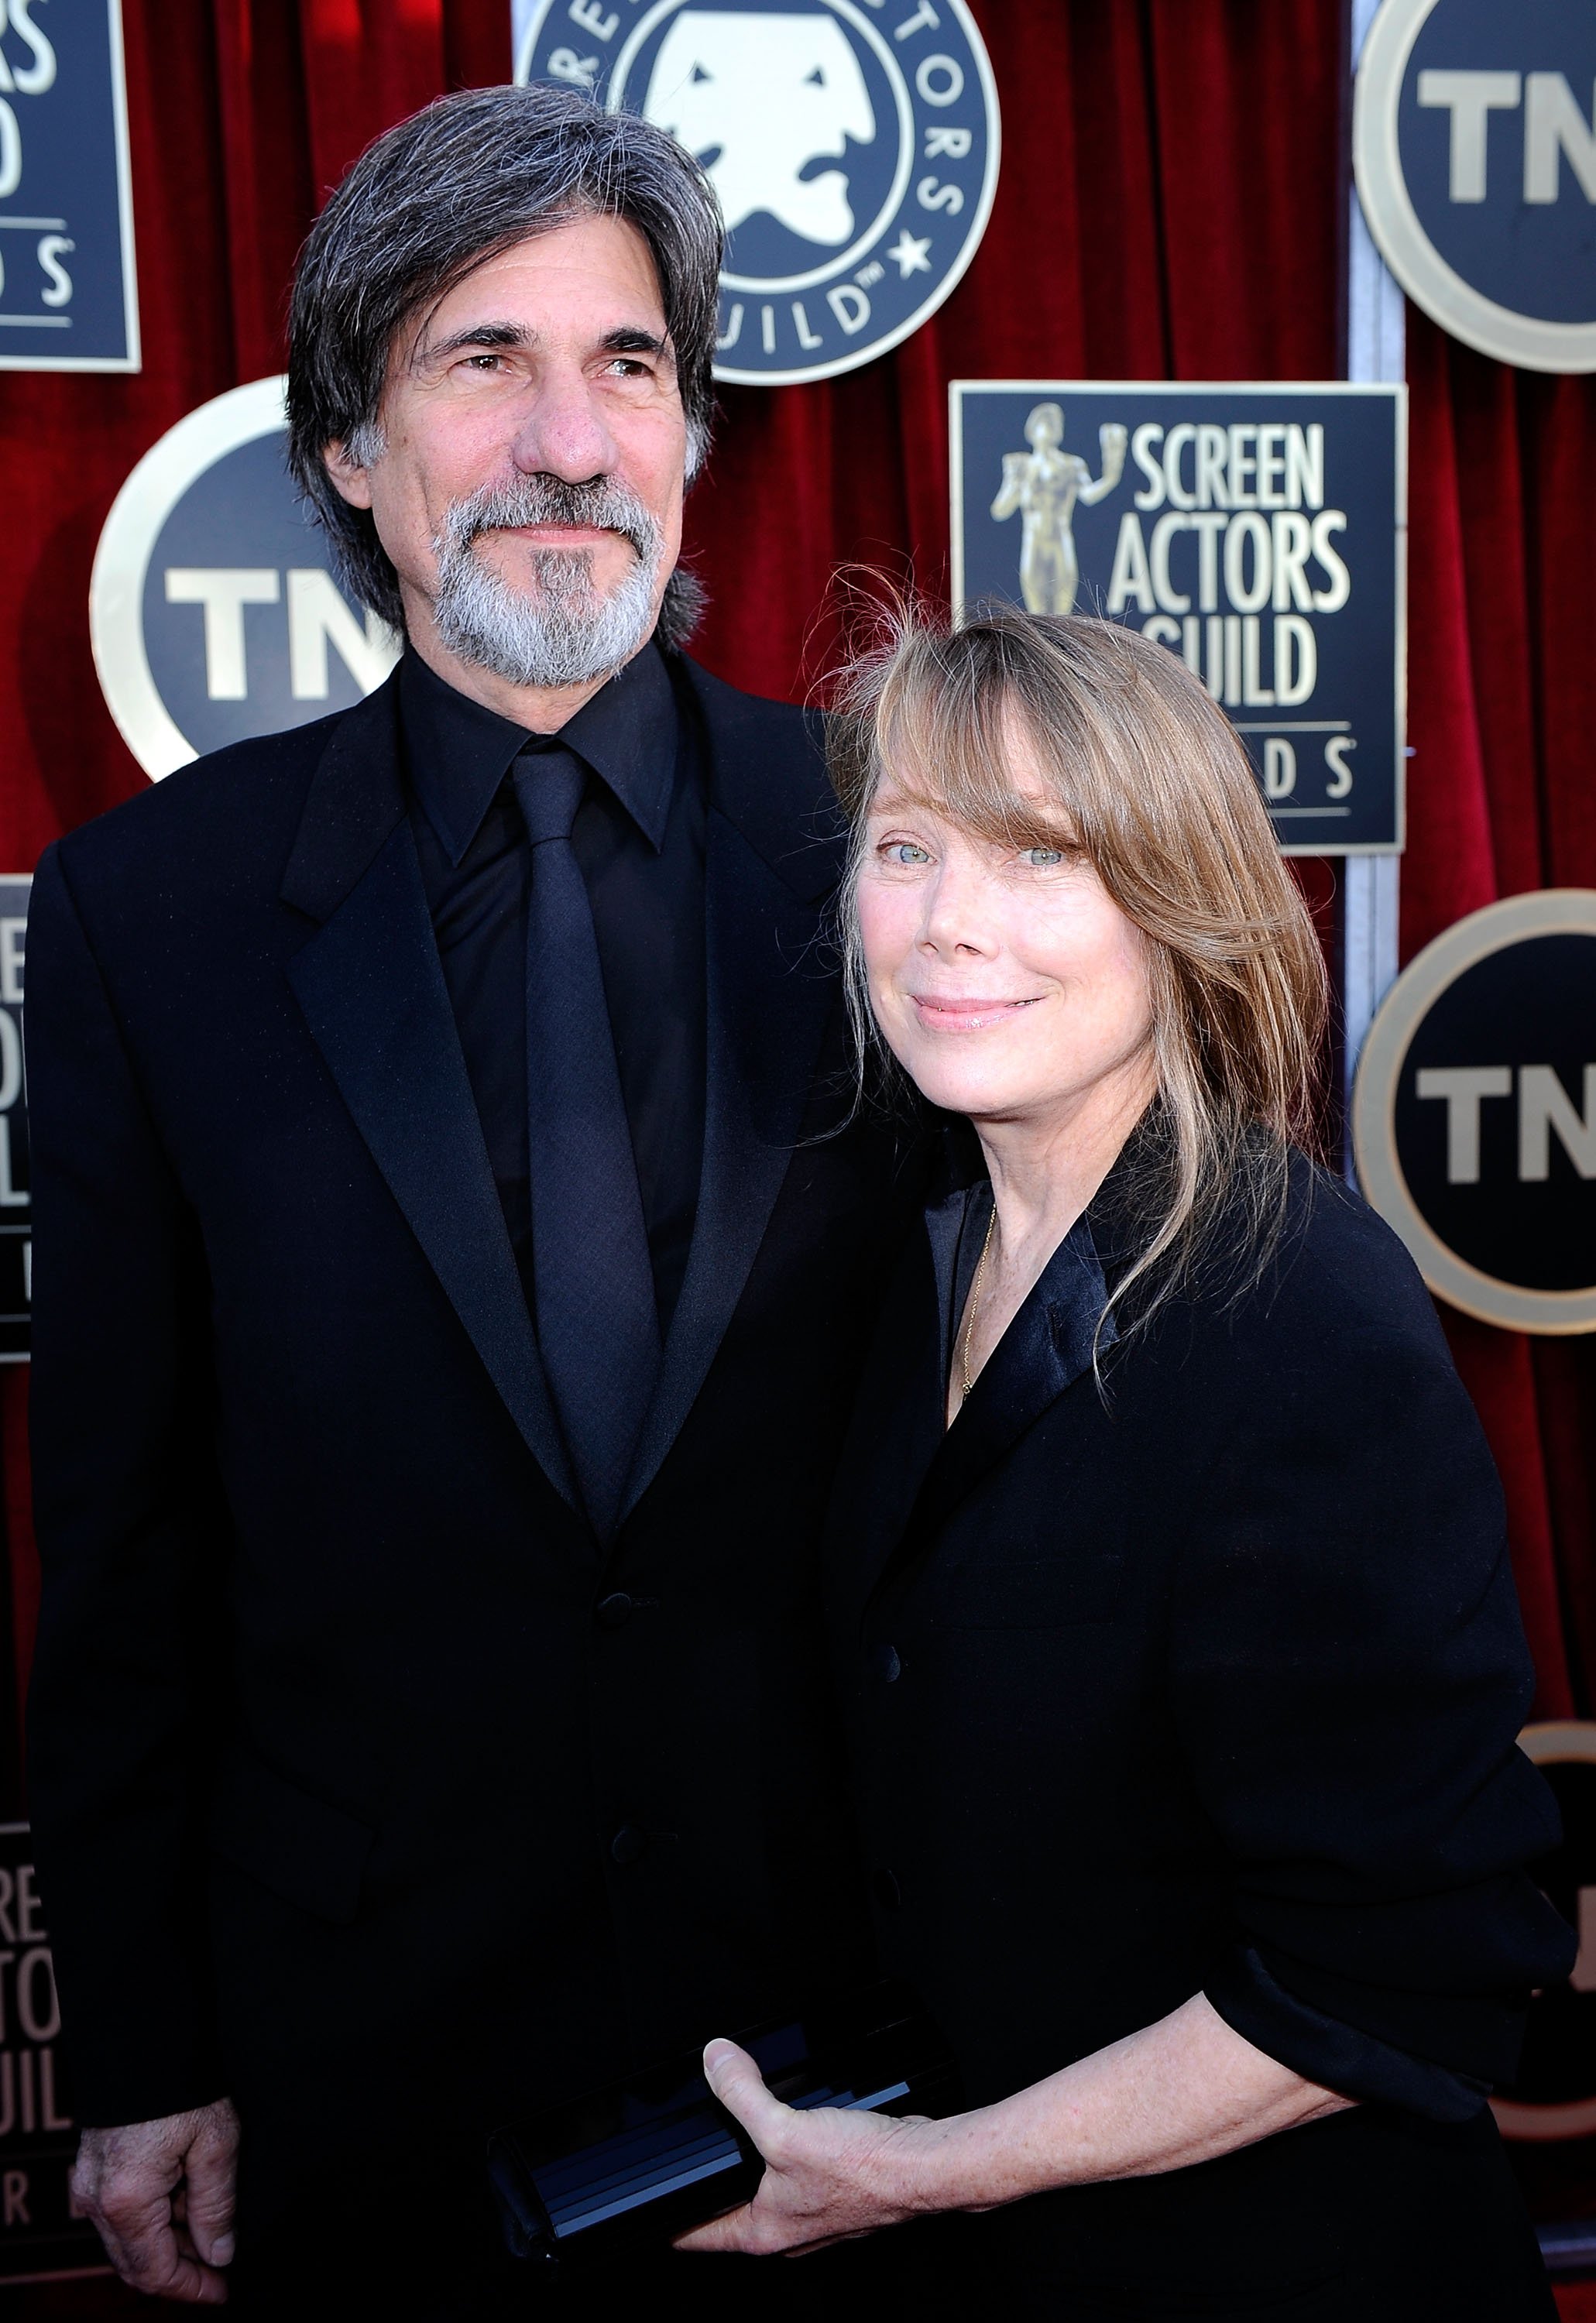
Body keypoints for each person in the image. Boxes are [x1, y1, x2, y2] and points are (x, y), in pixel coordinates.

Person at [24, 86, 919, 2317]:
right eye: (477, 361)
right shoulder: (159, 915)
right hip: (359, 2063)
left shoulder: (903, 855)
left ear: (692, 435)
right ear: (344, 448)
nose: (564, 436)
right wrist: (142, 2048)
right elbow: (120, 1543)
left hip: (870, 2031)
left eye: (625, 365)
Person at [678, 606, 1574, 2319]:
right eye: (903, 848)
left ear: (1176, 901)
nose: (949, 924)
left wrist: (938, 2169)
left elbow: (1392, 1978)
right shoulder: (908, 1254)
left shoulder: (1299, 1314)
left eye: (1040, 856)